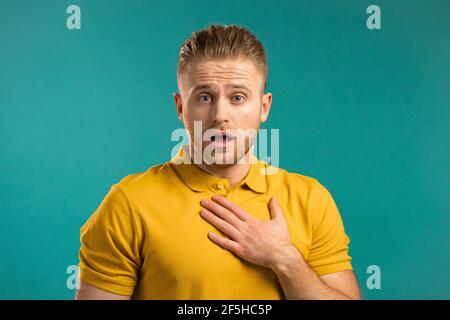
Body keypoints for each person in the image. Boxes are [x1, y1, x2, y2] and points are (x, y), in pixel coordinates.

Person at [76, 24, 361, 300]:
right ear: (180, 108)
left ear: (264, 107)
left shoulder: (311, 200)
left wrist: (286, 260)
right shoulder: (127, 205)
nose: (220, 115)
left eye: (237, 97)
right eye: (204, 97)